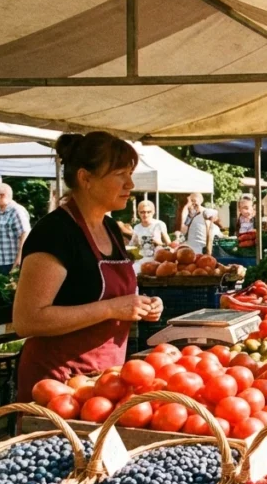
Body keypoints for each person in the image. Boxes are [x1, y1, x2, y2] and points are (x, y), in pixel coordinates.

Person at [13, 132, 162, 402]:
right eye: (120, 174)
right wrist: (111, 308)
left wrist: (143, 306)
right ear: (85, 178)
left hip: (105, 379)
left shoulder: (111, 228)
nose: (130, 183)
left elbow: (109, 297)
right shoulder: (56, 232)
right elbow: (27, 319)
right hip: (58, 382)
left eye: (130, 173)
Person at [0, 182, 31, 275]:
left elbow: (25, 234)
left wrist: (19, 258)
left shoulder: (16, 210)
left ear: (1, 195)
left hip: (11, 262)